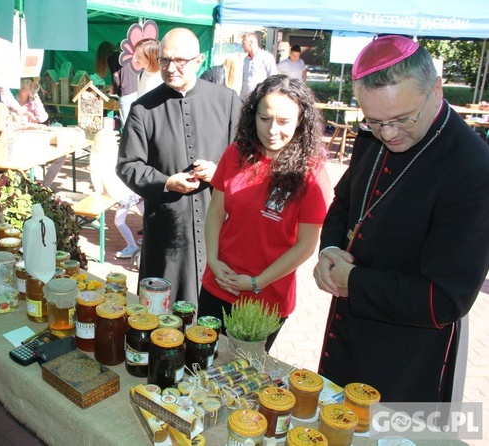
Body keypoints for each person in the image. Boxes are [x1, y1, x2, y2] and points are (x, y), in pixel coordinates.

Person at [313, 35, 489, 402]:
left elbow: (444, 299)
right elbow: (345, 203)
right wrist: (329, 250)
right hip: (346, 333)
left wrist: (355, 282)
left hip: (405, 357)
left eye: (401, 119)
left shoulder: (473, 168)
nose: (388, 134)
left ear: (437, 90)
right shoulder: (373, 133)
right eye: (374, 122)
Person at [199, 75, 331, 351]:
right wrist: (212, 259)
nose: (272, 130)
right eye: (264, 118)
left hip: (267, 297)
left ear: (301, 121)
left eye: (283, 121)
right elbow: (215, 213)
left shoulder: (311, 172)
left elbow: (307, 245)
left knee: (242, 374)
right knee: (201, 361)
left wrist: (257, 283)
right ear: (252, 116)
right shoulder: (236, 154)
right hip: (219, 282)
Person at [117, 28, 242, 306]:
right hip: (167, 228)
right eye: (164, 60)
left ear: (199, 60)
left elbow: (247, 160)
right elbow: (127, 166)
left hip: (219, 226)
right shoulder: (143, 109)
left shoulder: (228, 101)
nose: (171, 68)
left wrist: (219, 171)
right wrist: (165, 182)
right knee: (164, 315)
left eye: (180, 61)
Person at [90, 128, 144, 259]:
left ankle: (132, 246)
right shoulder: (118, 152)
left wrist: (99, 192)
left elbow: (97, 181)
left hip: (122, 194)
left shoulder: (97, 158)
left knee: (119, 221)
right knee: (147, 216)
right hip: (134, 189)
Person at [15, 77, 65, 188]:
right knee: (25, 164)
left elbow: (43, 117)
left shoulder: (32, 100)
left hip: (34, 141)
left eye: (27, 82)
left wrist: (35, 97)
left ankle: (44, 186)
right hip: (19, 143)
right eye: (21, 81)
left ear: (31, 86)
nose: (24, 85)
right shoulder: (12, 101)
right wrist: (32, 126)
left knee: (61, 155)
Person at [95, 40, 138, 126]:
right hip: (136, 92)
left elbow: (116, 79)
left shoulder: (111, 58)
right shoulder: (128, 56)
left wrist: (114, 91)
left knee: (127, 125)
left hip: (125, 94)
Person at [240, 32, 277, 101]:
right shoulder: (246, 59)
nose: (242, 46)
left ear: (250, 43)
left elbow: (273, 79)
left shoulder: (266, 57)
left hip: (259, 99)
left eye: (244, 43)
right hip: (244, 99)